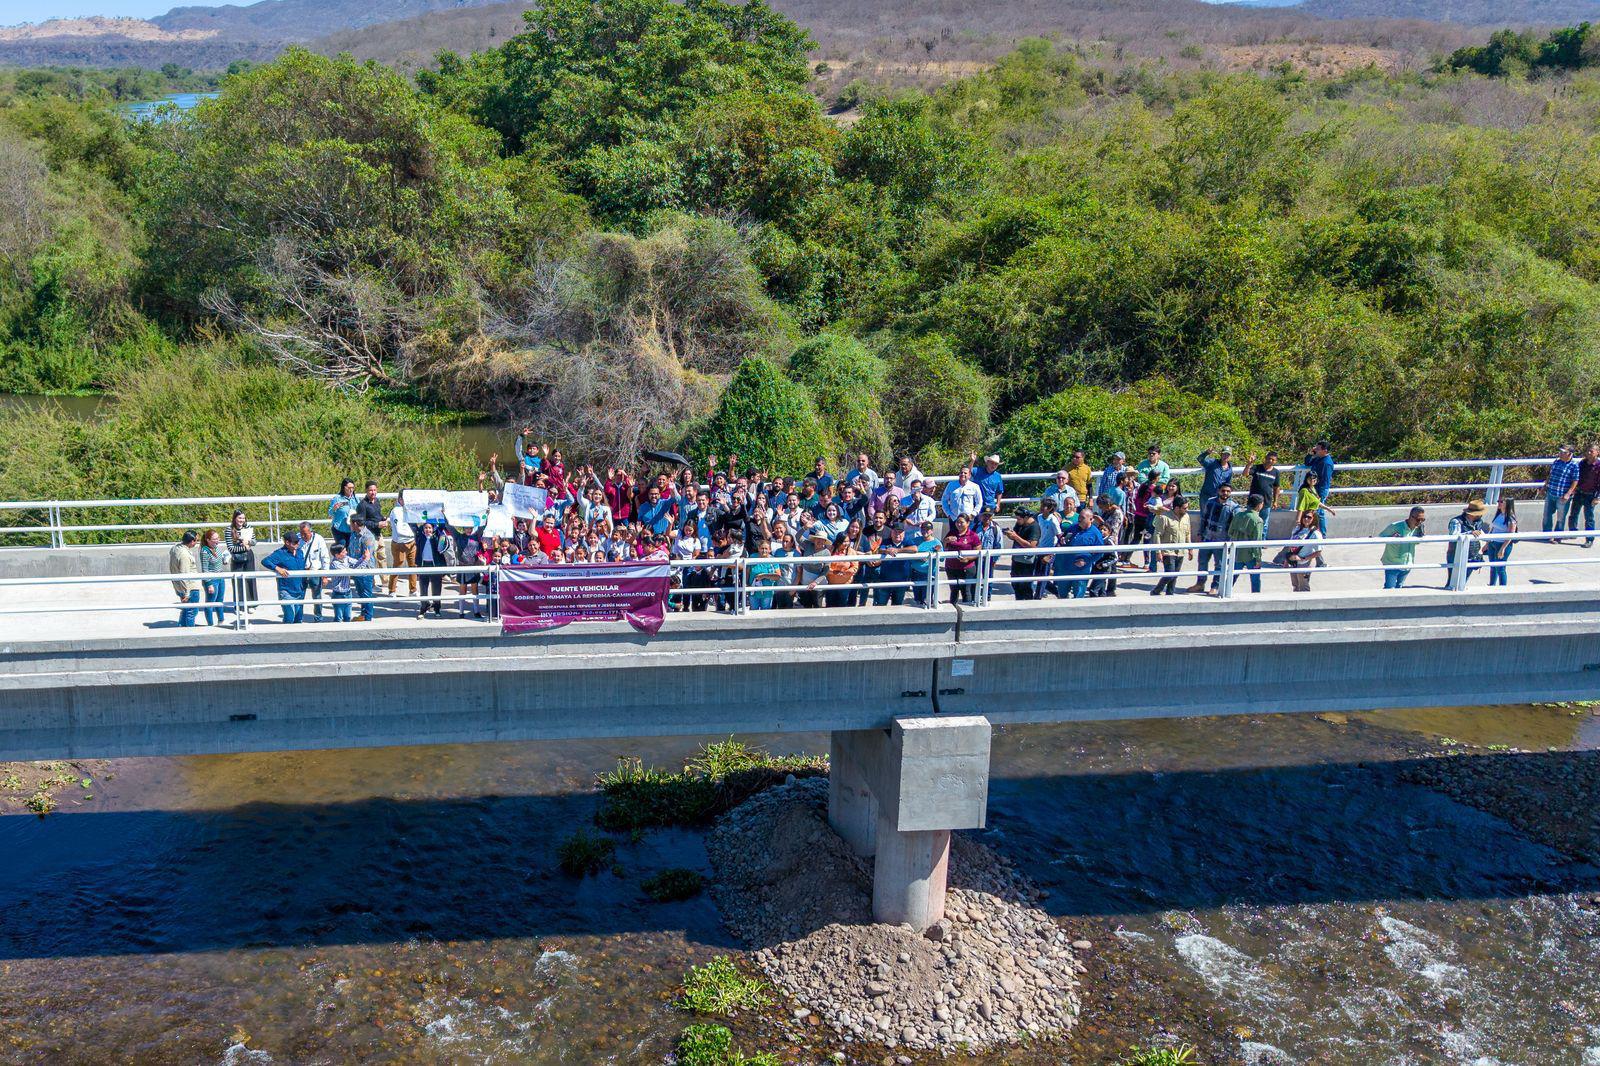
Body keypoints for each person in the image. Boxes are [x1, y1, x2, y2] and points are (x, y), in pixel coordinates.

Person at [1190, 483, 1238, 594]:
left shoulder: (1233, 507)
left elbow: (1234, 527)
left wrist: (1231, 542)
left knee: (1219, 565)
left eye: (1228, 491)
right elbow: (1204, 519)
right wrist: (1200, 533)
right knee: (1202, 562)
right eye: (1223, 491)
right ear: (1218, 491)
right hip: (1207, 538)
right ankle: (1200, 584)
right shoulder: (1210, 502)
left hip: (1222, 541)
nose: (1225, 493)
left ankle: (1215, 587)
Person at [262, 531, 308, 623]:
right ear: (287, 542)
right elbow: (265, 561)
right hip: (287, 590)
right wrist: (277, 568)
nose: (298, 544)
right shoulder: (279, 553)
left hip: (300, 589)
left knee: (298, 618)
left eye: (298, 541)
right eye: (295, 542)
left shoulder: (300, 552)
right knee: (289, 617)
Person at [1150, 498, 1191, 595]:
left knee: (1175, 575)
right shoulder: (1164, 517)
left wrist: (1190, 549)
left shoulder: (1186, 517)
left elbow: (1188, 533)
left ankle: (1170, 594)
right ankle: (1156, 591)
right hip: (1168, 551)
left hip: (1180, 551)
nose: (1187, 510)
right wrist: (1158, 551)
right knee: (1170, 574)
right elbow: (1157, 535)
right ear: (1177, 508)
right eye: (1185, 508)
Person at [1226, 492, 1266, 594]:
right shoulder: (1258, 520)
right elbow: (1257, 542)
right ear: (1259, 505)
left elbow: (1230, 532)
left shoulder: (1238, 515)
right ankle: (1255, 596)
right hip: (1250, 554)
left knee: (1232, 576)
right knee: (1255, 578)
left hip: (1237, 552)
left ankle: (1225, 592)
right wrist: (1258, 558)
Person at [1062, 506, 1105, 599]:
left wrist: (1087, 561)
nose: (1079, 519)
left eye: (1082, 518)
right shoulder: (1072, 528)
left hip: (1081, 568)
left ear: (1091, 519)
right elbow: (1061, 541)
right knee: (1062, 593)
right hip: (1066, 565)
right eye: (1079, 517)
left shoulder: (1095, 533)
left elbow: (1100, 552)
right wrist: (1062, 542)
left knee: (1078, 595)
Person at [1379, 507, 1426, 589]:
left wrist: (1421, 536)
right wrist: (1392, 538)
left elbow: (1416, 543)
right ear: (1411, 517)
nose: (1420, 522)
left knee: (1399, 588)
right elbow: (1381, 537)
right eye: (1418, 519)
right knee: (1389, 589)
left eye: (1423, 519)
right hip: (1392, 564)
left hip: (1407, 564)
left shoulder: (1418, 529)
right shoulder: (1395, 526)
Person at [415, 520, 454, 617]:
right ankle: (423, 607)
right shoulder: (420, 536)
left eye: (429, 528)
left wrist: (442, 514)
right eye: (425, 528)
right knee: (423, 588)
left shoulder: (438, 536)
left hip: (436, 565)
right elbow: (413, 525)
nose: (427, 530)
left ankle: (437, 608)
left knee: (436, 588)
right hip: (423, 565)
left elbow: (442, 524)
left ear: (433, 529)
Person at [1276, 510, 1323, 592]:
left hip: (1305, 563)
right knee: (1295, 586)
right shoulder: (1297, 529)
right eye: (1304, 516)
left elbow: (1318, 552)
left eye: (1309, 517)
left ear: (1313, 519)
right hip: (1293, 562)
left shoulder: (1315, 533)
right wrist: (1287, 561)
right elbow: (1290, 545)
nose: (1306, 519)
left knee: (1304, 586)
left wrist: (1303, 559)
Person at [1446, 499, 1489, 586]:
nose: (1481, 515)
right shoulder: (1456, 521)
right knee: (1453, 581)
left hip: (1472, 555)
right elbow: (1453, 536)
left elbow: (1480, 533)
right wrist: (1469, 533)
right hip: (1456, 555)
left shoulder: (1479, 522)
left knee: (1464, 580)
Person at [225, 510, 259, 614]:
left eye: (243, 518)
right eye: (239, 518)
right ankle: (238, 606)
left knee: (250, 579)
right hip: (237, 558)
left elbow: (254, 541)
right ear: (235, 518)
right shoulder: (229, 530)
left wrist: (247, 542)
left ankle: (251, 604)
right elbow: (230, 548)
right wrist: (245, 548)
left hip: (249, 556)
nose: (241, 520)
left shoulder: (248, 527)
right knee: (238, 581)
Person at [1005, 505, 1041, 600]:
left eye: (1019, 519)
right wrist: (1010, 535)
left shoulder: (1034, 527)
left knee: (1025, 585)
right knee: (1015, 583)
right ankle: (1018, 601)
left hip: (1027, 561)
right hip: (1017, 559)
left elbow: (1032, 545)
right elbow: (1016, 536)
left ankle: (1028, 603)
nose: (1017, 521)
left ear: (1026, 517)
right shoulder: (1019, 524)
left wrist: (1016, 537)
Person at [1567, 442, 1600, 546]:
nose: (1589, 453)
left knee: (1589, 517)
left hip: (1591, 495)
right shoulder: (1582, 463)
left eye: (1591, 451)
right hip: (1579, 492)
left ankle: (1589, 539)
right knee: (1573, 514)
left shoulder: (1599, 466)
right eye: (1588, 451)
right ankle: (1573, 532)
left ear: (1597, 453)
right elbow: (1576, 477)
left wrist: (1597, 497)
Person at [296, 520, 329, 620]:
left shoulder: (319, 539)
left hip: (315, 572)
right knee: (299, 596)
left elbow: (325, 558)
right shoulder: (297, 539)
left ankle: (318, 618)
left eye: (305, 534)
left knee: (317, 597)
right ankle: (298, 618)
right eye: (301, 533)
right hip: (302, 573)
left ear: (310, 531)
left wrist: (325, 575)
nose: (302, 536)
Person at [387, 489, 417, 599]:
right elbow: (399, 530)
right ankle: (392, 590)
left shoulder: (409, 509)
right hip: (399, 543)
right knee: (397, 566)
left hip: (412, 543)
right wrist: (414, 535)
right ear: (400, 499)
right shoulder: (396, 511)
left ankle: (413, 590)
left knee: (413, 566)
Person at [169, 530, 202, 627]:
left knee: (186, 609)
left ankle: (182, 627)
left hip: (180, 586)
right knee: (192, 611)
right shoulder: (184, 555)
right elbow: (184, 574)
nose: (197, 543)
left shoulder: (175, 548)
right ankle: (190, 631)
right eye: (196, 540)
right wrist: (186, 593)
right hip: (189, 587)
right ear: (192, 541)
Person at [348, 516, 378, 621]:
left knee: (366, 594)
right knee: (361, 593)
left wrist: (357, 567)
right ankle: (363, 615)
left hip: (365, 570)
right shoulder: (353, 534)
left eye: (351, 523)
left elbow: (366, 556)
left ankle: (368, 617)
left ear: (355, 523)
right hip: (356, 569)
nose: (350, 525)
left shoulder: (367, 537)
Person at [1303, 441, 1335, 534]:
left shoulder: (1326, 463)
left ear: (1324, 450)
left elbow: (1324, 480)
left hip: (1320, 490)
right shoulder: (1318, 458)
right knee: (1314, 511)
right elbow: (1307, 463)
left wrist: (1317, 494)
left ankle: (1322, 534)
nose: (1315, 449)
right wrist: (1310, 454)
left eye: (1318, 448)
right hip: (1314, 488)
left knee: (1319, 512)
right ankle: (1314, 532)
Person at [199, 528, 228, 625]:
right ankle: (210, 624)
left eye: (218, 538)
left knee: (220, 600)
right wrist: (209, 584)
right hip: (212, 579)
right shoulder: (205, 551)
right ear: (208, 540)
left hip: (220, 577)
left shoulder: (216, 547)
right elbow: (205, 569)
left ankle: (221, 620)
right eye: (215, 539)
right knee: (210, 603)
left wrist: (224, 560)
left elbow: (218, 560)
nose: (218, 540)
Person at [1487, 497, 1518, 586]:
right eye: (1498, 501)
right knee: (1493, 567)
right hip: (1492, 543)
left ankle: (1502, 588)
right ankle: (1492, 585)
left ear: (1507, 504)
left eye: (1501, 502)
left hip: (1502, 544)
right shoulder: (1499, 514)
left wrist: (1502, 548)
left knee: (1500, 568)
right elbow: (1492, 529)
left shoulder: (1511, 518)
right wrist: (1487, 543)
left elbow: (1510, 535)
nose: (1499, 503)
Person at [325, 542, 355, 622]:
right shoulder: (335, 564)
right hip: (338, 594)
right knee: (339, 618)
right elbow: (348, 571)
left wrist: (364, 558)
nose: (346, 552)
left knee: (348, 617)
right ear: (337, 555)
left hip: (348, 592)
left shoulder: (346, 559)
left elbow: (357, 564)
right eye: (344, 552)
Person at [328, 479, 357, 550]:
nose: (351, 490)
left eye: (352, 488)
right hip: (339, 529)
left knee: (351, 550)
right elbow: (330, 514)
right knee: (342, 549)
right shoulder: (337, 498)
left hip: (351, 529)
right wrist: (334, 508)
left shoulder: (355, 499)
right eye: (349, 488)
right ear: (344, 487)